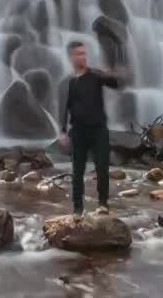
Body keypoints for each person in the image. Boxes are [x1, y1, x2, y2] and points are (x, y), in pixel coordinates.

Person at [58, 39, 122, 217]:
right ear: (71, 57)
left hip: (98, 129)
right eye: (79, 54)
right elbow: (65, 107)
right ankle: (78, 208)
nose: (83, 57)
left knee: (102, 168)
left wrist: (112, 73)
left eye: (84, 53)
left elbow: (115, 83)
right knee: (77, 171)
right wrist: (62, 131)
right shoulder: (70, 82)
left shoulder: (95, 75)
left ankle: (103, 204)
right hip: (78, 131)